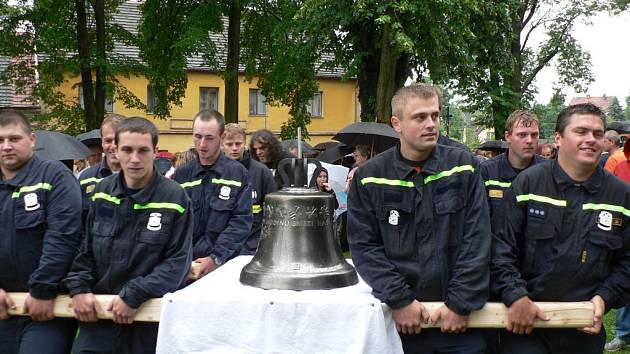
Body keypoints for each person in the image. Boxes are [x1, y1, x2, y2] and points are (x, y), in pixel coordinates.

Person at [347, 83, 491, 353]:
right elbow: (365, 248)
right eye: (420, 117)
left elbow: (478, 239)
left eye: (435, 116)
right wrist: (400, 300)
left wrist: (459, 303)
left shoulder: (463, 167)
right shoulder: (370, 178)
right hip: (400, 322)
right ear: (396, 123)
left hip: (461, 322)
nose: (431, 124)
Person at [491, 103, 630, 353]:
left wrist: (604, 298)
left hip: (583, 328)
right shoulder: (529, 184)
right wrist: (515, 295)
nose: (591, 139)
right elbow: (501, 247)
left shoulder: (620, 196)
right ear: (558, 138)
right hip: (526, 327)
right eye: (581, 131)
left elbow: (627, 261)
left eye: (598, 134)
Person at [64, 117, 193, 354]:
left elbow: (178, 263)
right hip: (100, 320)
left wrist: (134, 295)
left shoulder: (175, 198)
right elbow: (84, 249)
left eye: (143, 150)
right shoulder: (101, 192)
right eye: (127, 150)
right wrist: (79, 288)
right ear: (115, 150)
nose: (135, 159)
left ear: (155, 151)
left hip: (148, 320)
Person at [0, 110, 82, 354]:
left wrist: (42, 290)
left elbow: (63, 237)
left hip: (47, 307)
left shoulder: (55, 176)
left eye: (14, 139)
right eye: (0, 140)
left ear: (32, 139)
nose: (6, 146)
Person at [174, 110, 252, 279]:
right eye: (197, 136)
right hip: (187, 268)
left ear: (222, 137)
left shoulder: (237, 174)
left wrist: (215, 258)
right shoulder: (182, 175)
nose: (202, 144)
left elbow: (240, 222)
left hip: (224, 268)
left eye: (209, 138)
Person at [480, 110, 545, 233]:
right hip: (497, 247)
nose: (529, 140)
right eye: (522, 135)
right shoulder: (487, 171)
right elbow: (480, 221)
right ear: (508, 137)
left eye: (534, 135)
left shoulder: (549, 172)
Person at [222, 123, 277, 255]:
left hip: (253, 247)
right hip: (222, 248)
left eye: (238, 143)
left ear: (245, 143)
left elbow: (274, 213)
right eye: (229, 144)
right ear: (221, 145)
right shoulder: (215, 173)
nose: (234, 148)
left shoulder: (262, 172)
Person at [78, 114, 126, 220]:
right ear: (102, 142)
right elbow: (79, 220)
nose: (113, 146)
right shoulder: (86, 178)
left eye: (118, 140)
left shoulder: (139, 178)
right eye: (108, 141)